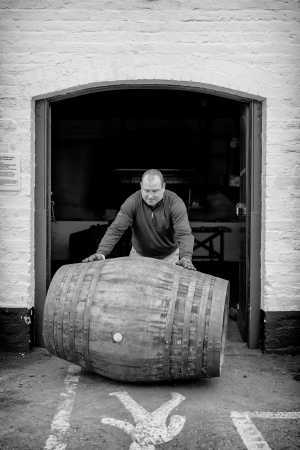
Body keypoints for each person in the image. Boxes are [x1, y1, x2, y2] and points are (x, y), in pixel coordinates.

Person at [82, 169, 196, 270]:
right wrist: (101, 253)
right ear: (141, 186)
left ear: (164, 187)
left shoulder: (175, 203)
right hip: (139, 255)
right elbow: (116, 230)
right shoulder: (132, 202)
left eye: (155, 191)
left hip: (169, 256)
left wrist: (186, 257)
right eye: (146, 191)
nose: (150, 196)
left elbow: (184, 234)